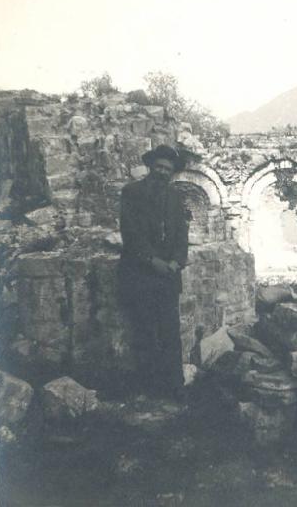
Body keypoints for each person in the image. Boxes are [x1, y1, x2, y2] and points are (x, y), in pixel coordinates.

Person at [119, 144, 189, 401]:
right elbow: (131, 233)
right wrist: (152, 260)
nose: (162, 172)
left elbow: (182, 234)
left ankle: (174, 387)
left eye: (167, 169)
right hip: (140, 275)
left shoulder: (175, 197)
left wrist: (177, 261)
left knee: (171, 332)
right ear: (150, 166)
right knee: (145, 331)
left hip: (169, 276)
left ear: (172, 173)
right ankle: (147, 388)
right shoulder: (132, 192)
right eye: (158, 166)